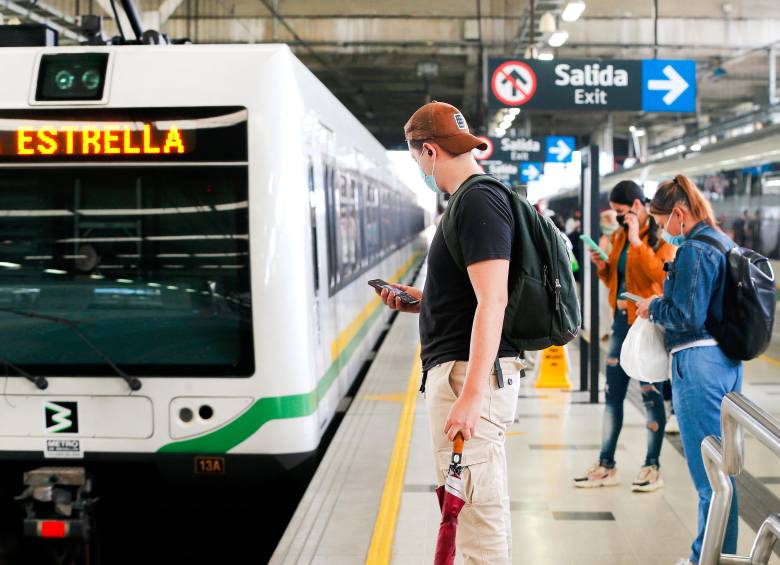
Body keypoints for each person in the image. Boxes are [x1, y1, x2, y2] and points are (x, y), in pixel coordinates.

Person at [376, 101, 522, 564]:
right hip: (461, 369)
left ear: (430, 151)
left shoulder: (477, 201)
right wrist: (423, 301)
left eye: (417, 157)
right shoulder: (468, 203)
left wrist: (472, 395)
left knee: (477, 515)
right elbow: (472, 294)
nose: (420, 166)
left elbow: (493, 299)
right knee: (469, 507)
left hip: (467, 374)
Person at [637, 174, 742, 565]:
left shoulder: (695, 249)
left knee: (709, 478)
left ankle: (705, 558)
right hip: (726, 363)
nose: (663, 230)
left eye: (663, 221)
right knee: (724, 475)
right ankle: (719, 554)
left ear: (679, 213)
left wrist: (654, 307)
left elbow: (686, 314)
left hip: (698, 367)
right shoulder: (723, 241)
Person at [573, 180, 676, 492]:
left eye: (621, 212)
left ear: (636, 205)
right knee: (612, 394)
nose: (618, 218)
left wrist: (636, 240)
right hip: (621, 322)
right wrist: (603, 267)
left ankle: (652, 467)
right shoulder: (618, 236)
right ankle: (606, 464)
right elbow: (617, 280)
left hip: (647, 325)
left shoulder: (662, 238)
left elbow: (660, 279)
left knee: (650, 395)